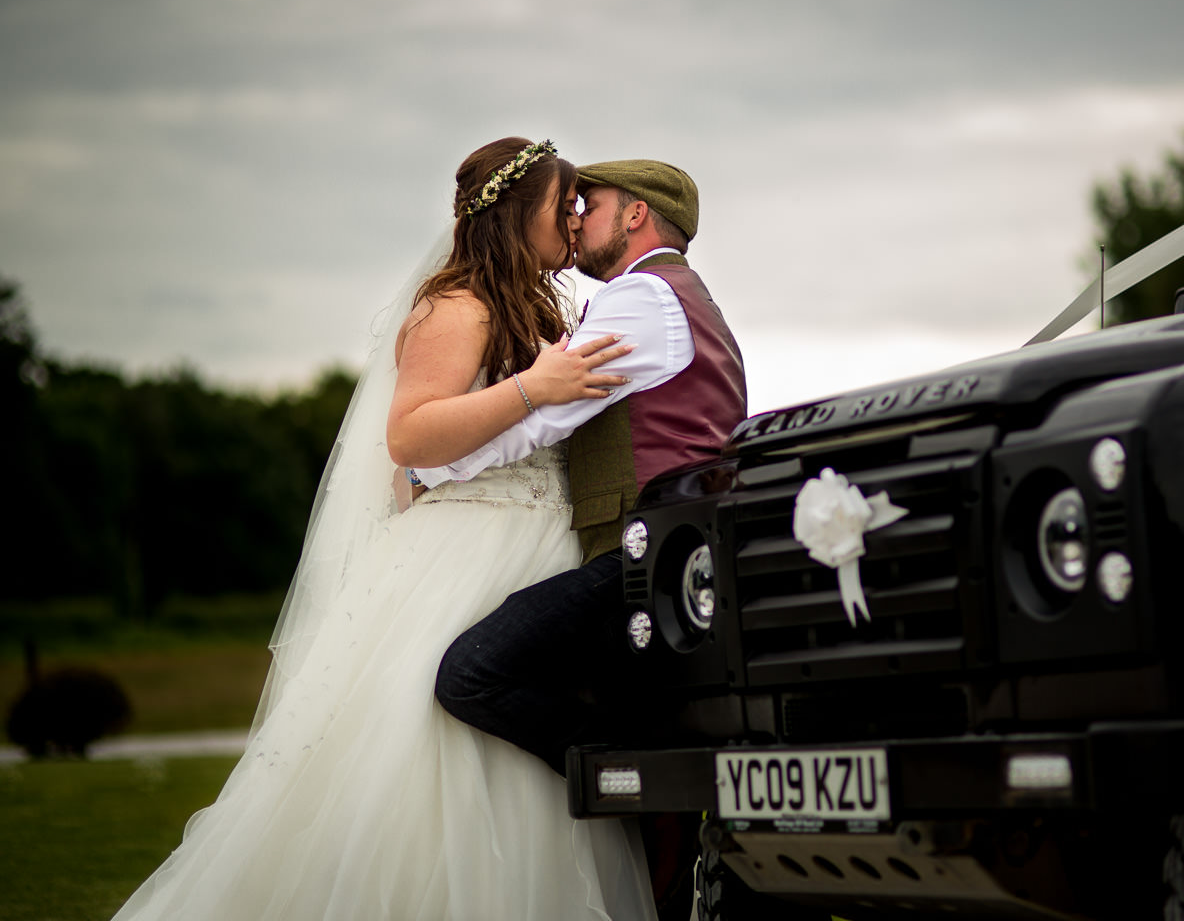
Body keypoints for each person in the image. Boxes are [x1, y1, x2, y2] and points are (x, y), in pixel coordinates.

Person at [110, 138, 659, 921]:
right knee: (442, 755)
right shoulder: (457, 306)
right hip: (467, 555)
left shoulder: (535, 305)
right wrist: (534, 389)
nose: (575, 221)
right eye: (561, 204)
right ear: (515, 215)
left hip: (542, 550)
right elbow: (411, 436)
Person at [427, 159, 747, 778]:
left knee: (472, 672)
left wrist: (430, 471)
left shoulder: (642, 296)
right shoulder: (678, 295)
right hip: (660, 551)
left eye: (588, 206)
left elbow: (545, 416)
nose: (574, 223)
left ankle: (623, 769)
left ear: (635, 215)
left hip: (644, 554)